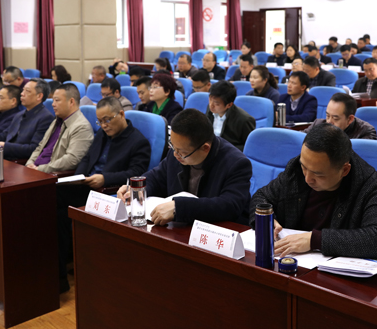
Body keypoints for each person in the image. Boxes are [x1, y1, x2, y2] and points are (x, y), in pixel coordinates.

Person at [250, 123, 377, 259]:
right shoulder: (296, 170)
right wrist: (266, 220)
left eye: (318, 174)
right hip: (290, 262)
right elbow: (261, 197)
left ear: (344, 170)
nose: (308, 179)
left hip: (335, 271)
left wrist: (314, 240)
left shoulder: (368, 185)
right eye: (304, 167)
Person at [56, 96, 151, 292]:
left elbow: (135, 173)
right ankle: (57, 266)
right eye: (100, 121)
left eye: (107, 120)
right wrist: (78, 177)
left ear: (121, 114)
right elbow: (87, 158)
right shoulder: (101, 134)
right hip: (85, 185)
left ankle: (59, 277)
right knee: (48, 197)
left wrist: (105, 179)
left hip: (106, 192)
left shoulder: (138, 142)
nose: (104, 125)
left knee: (57, 209)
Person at [116, 109, 253, 226]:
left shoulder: (236, 163)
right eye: (172, 146)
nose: (175, 154)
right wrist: (137, 188)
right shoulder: (177, 152)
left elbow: (229, 205)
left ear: (205, 148)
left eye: (182, 152)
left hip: (219, 231)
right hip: (182, 228)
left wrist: (179, 207)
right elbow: (157, 177)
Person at [0, 78, 55, 161]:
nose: (22, 94)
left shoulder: (46, 118)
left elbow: (34, 149)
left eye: (27, 91)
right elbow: (5, 136)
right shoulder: (19, 114)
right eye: (23, 90)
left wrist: (5, 146)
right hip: (6, 157)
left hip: (21, 162)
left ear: (39, 96)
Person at [26, 83, 94, 173]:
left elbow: (72, 160)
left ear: (71, 102)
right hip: (36, 171)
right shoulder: (56, 121)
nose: (53, 104)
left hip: (50, 176)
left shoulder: (82, 127)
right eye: (53, 100)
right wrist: (29, 164)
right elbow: (40, 147)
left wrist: (40, 169)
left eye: (57, 100)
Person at [206, 81, 256, 151]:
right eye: (210, 100)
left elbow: (249, 146)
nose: (211, 105)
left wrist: (225, 149)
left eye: (217, 104)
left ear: (229, 105)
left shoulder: (244, 120)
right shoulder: (211, 109)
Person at [302, 93, 377, 140]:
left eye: (335, 118)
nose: (329, 121)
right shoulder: (318, 124)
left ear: (350, 119)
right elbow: (299, 139)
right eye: (327, 115)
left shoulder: (365, 132)